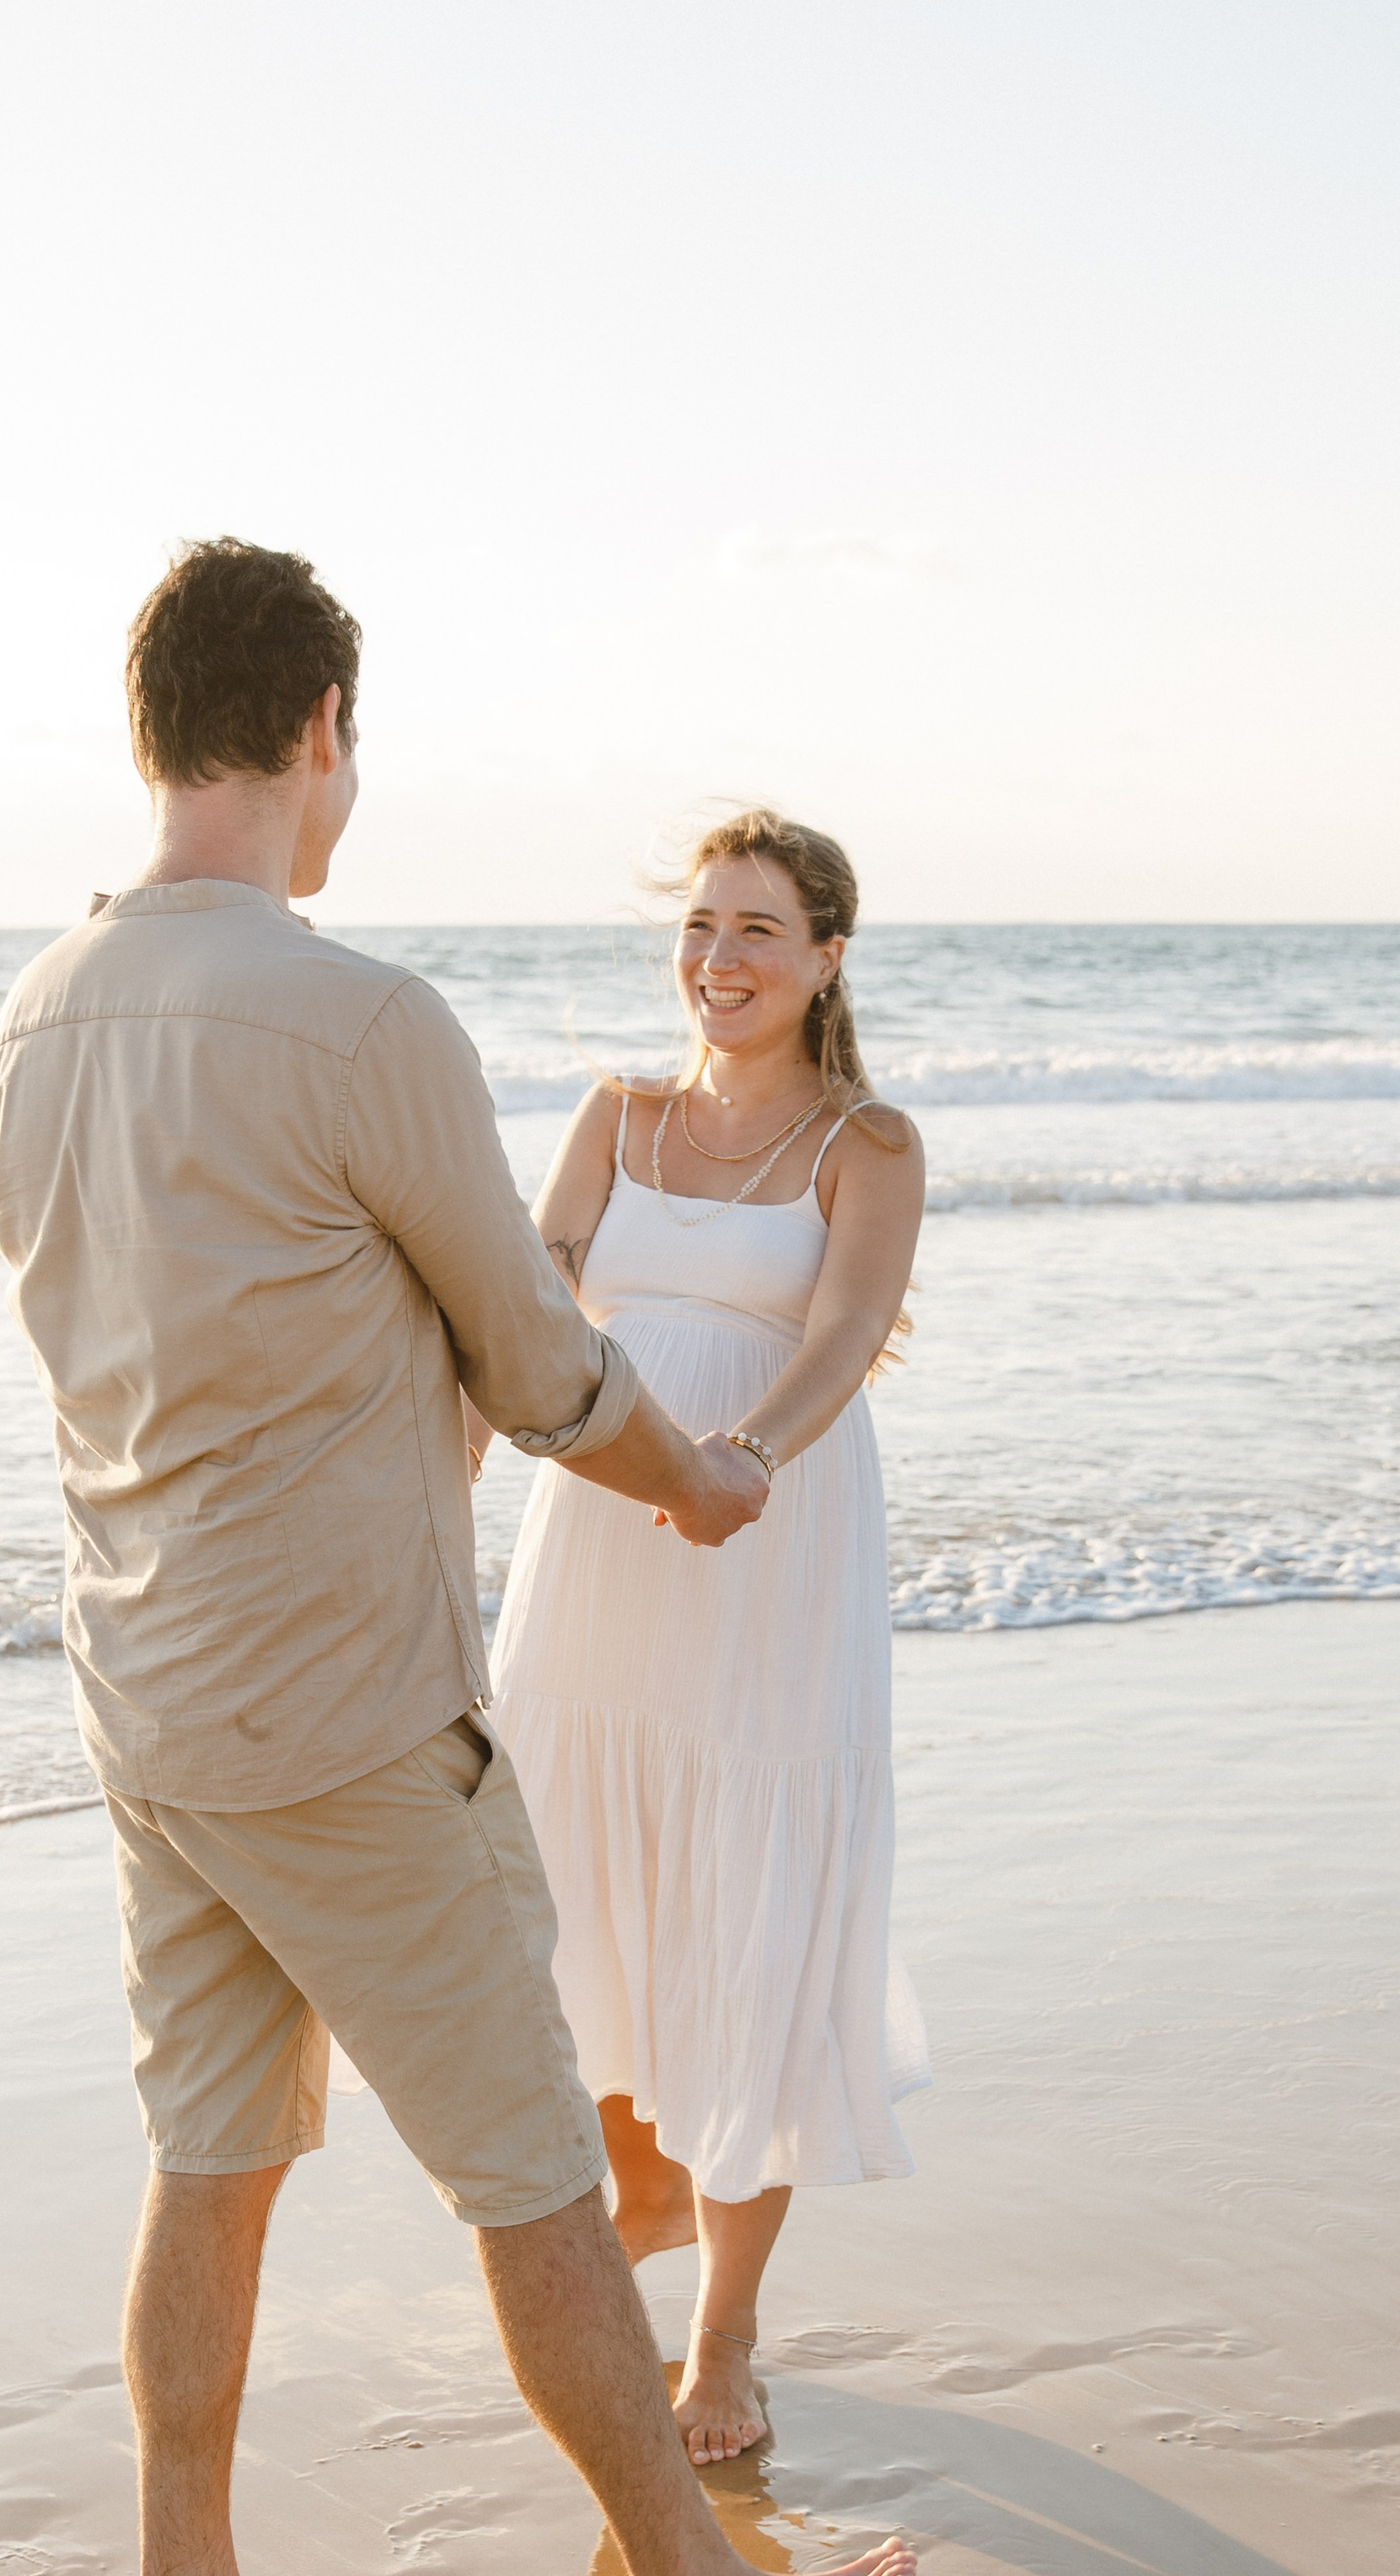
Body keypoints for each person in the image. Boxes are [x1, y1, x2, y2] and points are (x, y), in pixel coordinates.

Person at [0, 542, 915, 2576]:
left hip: (143, 1693)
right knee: (533, 2174)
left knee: (209, 2158)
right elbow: (535, 1355)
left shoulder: (31, 1016)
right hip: (347, 1704)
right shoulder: (361, 1018)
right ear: (320, 730)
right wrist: (695, 1475)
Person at [480, 811, 930, 2466]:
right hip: (597, 1531)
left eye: (756, 930)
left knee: (750, 1899)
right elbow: (526, 1297)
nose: (718, 959)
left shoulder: (864, 1141)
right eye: (699, 925)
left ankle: (724, 2336)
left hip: (766, 1537)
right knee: (568, 1872)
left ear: (824, 958)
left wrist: (742, 1457)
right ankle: (645, 2183)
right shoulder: (618, 1112)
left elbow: (846, 1332)